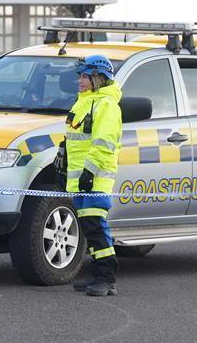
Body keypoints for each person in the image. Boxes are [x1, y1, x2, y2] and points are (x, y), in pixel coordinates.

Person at [66, 55, 122, 296]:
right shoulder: (83, 102)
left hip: (95, 177)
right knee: (89, 228)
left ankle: (106, 278)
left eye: (85, 76)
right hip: (80, 178)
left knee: (96, 226)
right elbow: (75, 140)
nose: (80, 80)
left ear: (98, 78)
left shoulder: (106, 105)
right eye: (80, 76)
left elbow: (104, 143)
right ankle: (97, 273)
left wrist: (89, 172)